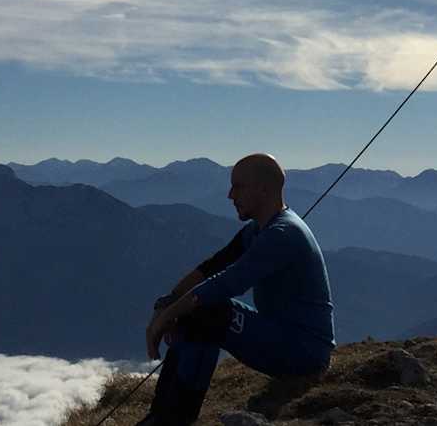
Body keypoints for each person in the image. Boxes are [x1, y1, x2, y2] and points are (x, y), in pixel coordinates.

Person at [139, 153, 334, 426]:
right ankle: (161, 414)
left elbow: (225, 284)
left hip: (304, 353)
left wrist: (165, 317)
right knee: (195, 308)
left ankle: (172, 419)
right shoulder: (258, 230)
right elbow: (211, 267)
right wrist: (169, 303)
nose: (231, 195)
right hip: (283, 337)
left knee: (208, 312)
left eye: (238, 186)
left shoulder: (283, 234)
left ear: (263, 189)